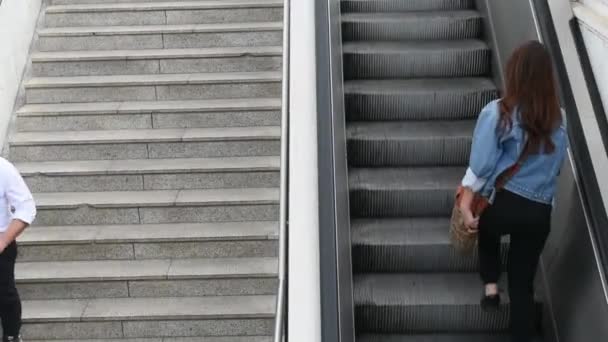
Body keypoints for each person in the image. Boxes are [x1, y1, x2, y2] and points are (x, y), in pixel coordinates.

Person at [459, 40, 568, 342]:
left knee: (487, 230)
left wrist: (467, 207)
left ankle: (491, 288)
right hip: (539, 213)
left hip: (505, 203)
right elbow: (555, 171)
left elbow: (481, 167)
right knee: (522, 283)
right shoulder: (560, 122)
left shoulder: (499, 113)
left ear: (514, 72)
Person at [0, 157, 36, 342]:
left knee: (4, 295)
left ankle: (12, 336)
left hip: (1, 245)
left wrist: (3, 240)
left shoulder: (3, 169)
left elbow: (27, 208)